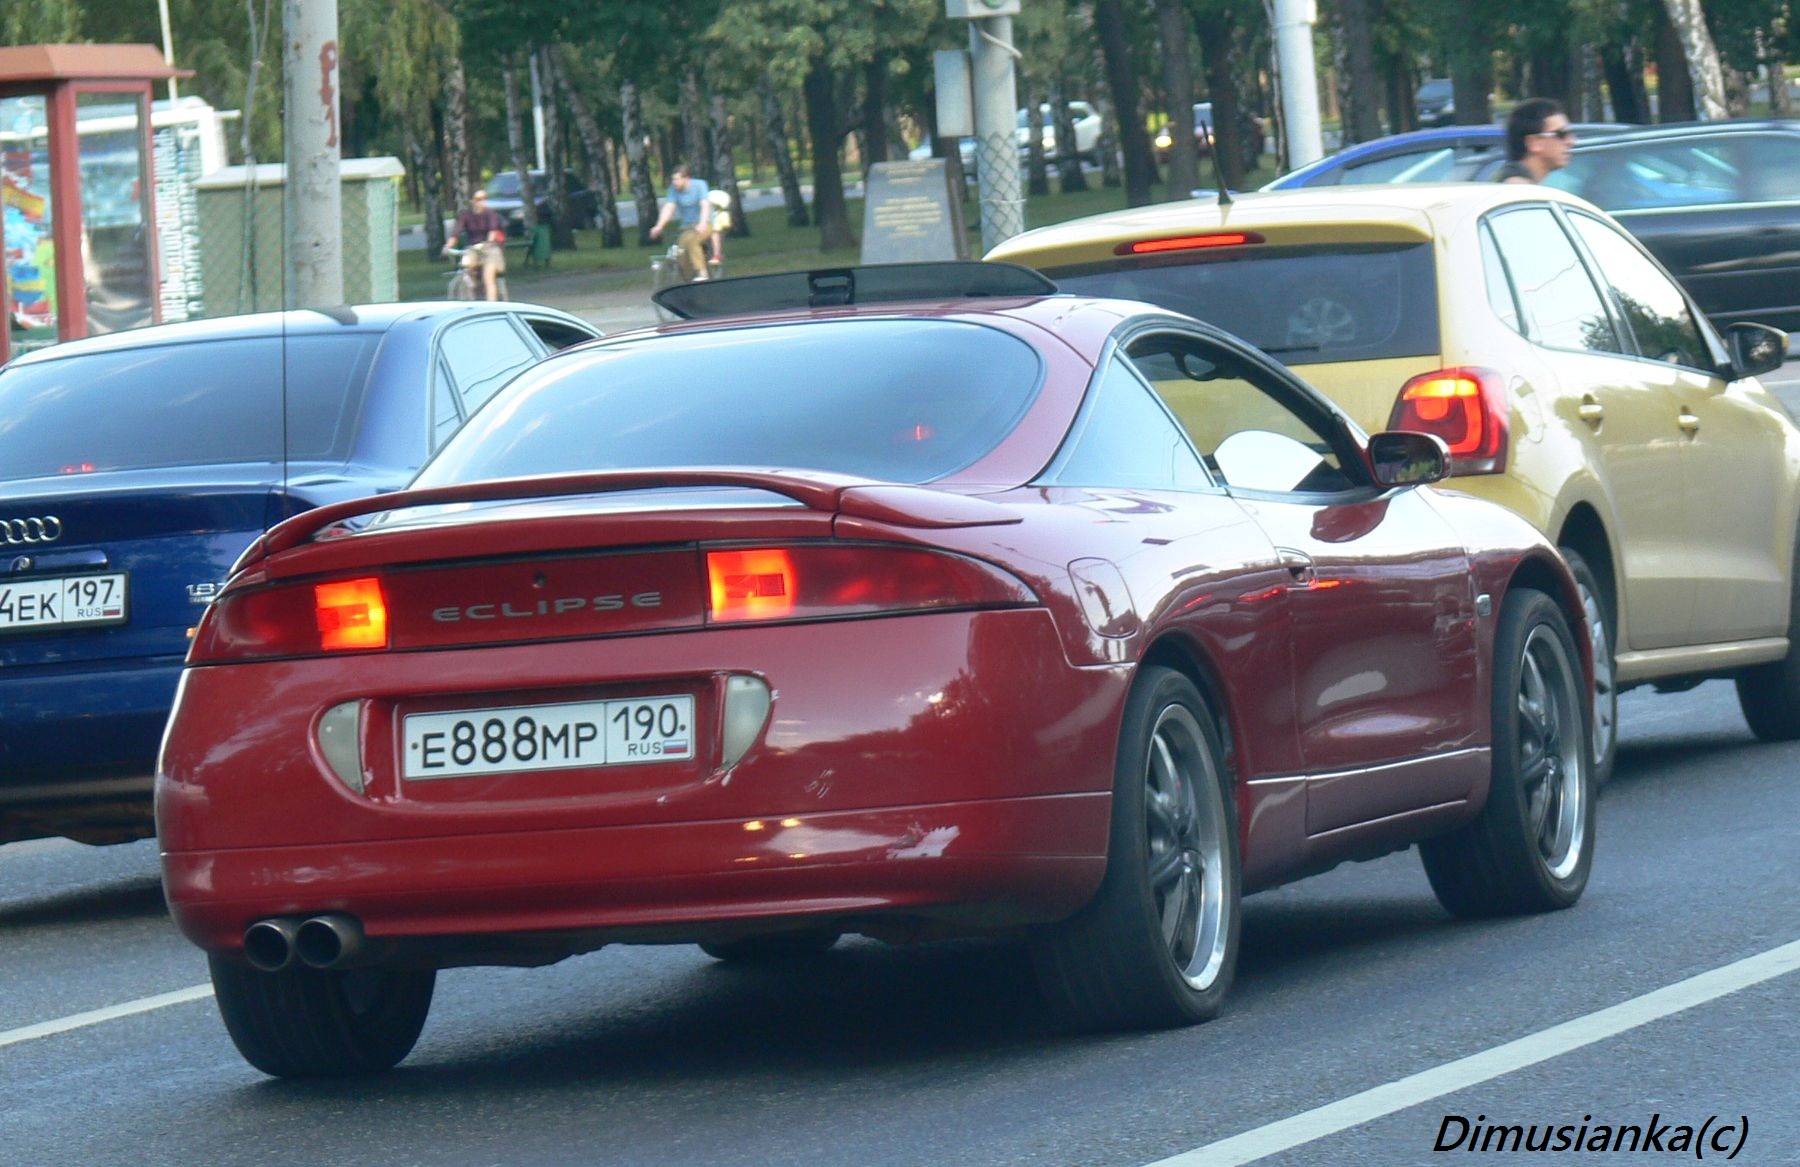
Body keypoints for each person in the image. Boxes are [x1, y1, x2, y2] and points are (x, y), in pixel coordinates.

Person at [649, 164, 713, 281]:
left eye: (677, 179)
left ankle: (702, 272)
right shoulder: (674, 190)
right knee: (680, 251)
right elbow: (669, 207)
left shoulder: (699, 185)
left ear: (686, 178)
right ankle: (687, 279)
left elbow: (705, 205)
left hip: (705, 224)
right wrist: (659, 226)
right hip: (687, 227)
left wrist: (702, 223)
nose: (674, 182)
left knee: (692, 240)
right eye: (673, 179)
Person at [1496, 98, 1575, 184]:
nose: (1571, 141)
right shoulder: (1519, 189)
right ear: (1534, 143)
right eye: (1561, 134)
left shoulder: (1512, 183)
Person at [450, 189, 508, 301]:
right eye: (478, 199)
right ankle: (472, 292)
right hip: (473, 248)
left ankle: (492, 305)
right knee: (466, 266)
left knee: (488, 276)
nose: (481, 202)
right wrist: (448, 246)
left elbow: (493, 231)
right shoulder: (466, 215)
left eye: (484, 199)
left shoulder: (490, 214)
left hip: (491, 249)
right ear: (472, 201)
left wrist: (488, 243)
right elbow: (456, 232)